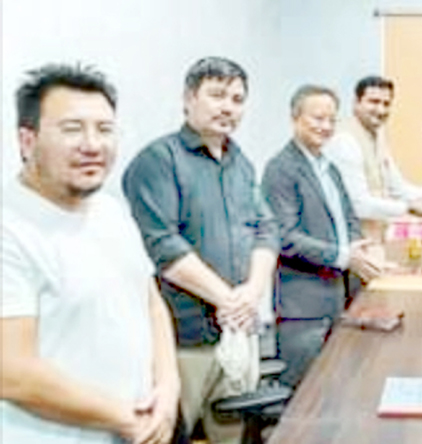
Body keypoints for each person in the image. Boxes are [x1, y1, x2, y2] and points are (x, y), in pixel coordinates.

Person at [1, 64, 179, 444]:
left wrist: (168, 387)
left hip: (136, 429)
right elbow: (11, 371)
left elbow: (149, 303)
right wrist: (125, 417)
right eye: (72, 129)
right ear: (27, 140)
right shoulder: (9, 228)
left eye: (104, 129)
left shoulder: (111, 210)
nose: (92, 144)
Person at [123, 57, 279, 444]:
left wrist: (253, 293)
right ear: (188, 98)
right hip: (182, 337)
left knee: (232, 433)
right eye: (217, 95)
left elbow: (266, 228)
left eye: (238, 99)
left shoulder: (240, 163)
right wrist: (230, 300)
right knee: (169, 432)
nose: (228, 107)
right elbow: (163, 245)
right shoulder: (159, 161)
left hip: (236, 333)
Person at [261, 85, 383, 388]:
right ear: (295, 118)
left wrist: (358, 245)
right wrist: (344, 256)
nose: (325, 127)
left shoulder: (330, 168)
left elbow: (349, 218)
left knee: (338, 389)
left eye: (331, 119)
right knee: (305, 399)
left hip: (339, 300)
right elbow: (285, 237)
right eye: (317, 118)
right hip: (303, 310)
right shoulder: (281, 169)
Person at [326, 76, 422, 242]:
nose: (381, 110)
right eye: (373, 102)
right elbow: (359, 204)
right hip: (348, 245)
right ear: (356, 103)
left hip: (373, 239)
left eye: (386, 104)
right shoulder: (345, 140)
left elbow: (398, 187)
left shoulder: (378, 137)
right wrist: (408, 208)